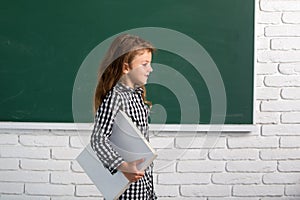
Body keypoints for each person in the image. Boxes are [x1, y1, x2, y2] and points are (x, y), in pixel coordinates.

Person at [90, 34, 157, 200]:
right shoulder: (115, 97)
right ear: (126, 68)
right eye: (145, 64)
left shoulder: (137, 94)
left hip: (144, 184)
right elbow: (98, 139)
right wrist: (123, 165)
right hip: (126, 189)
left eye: (150, 63)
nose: (151, 69)